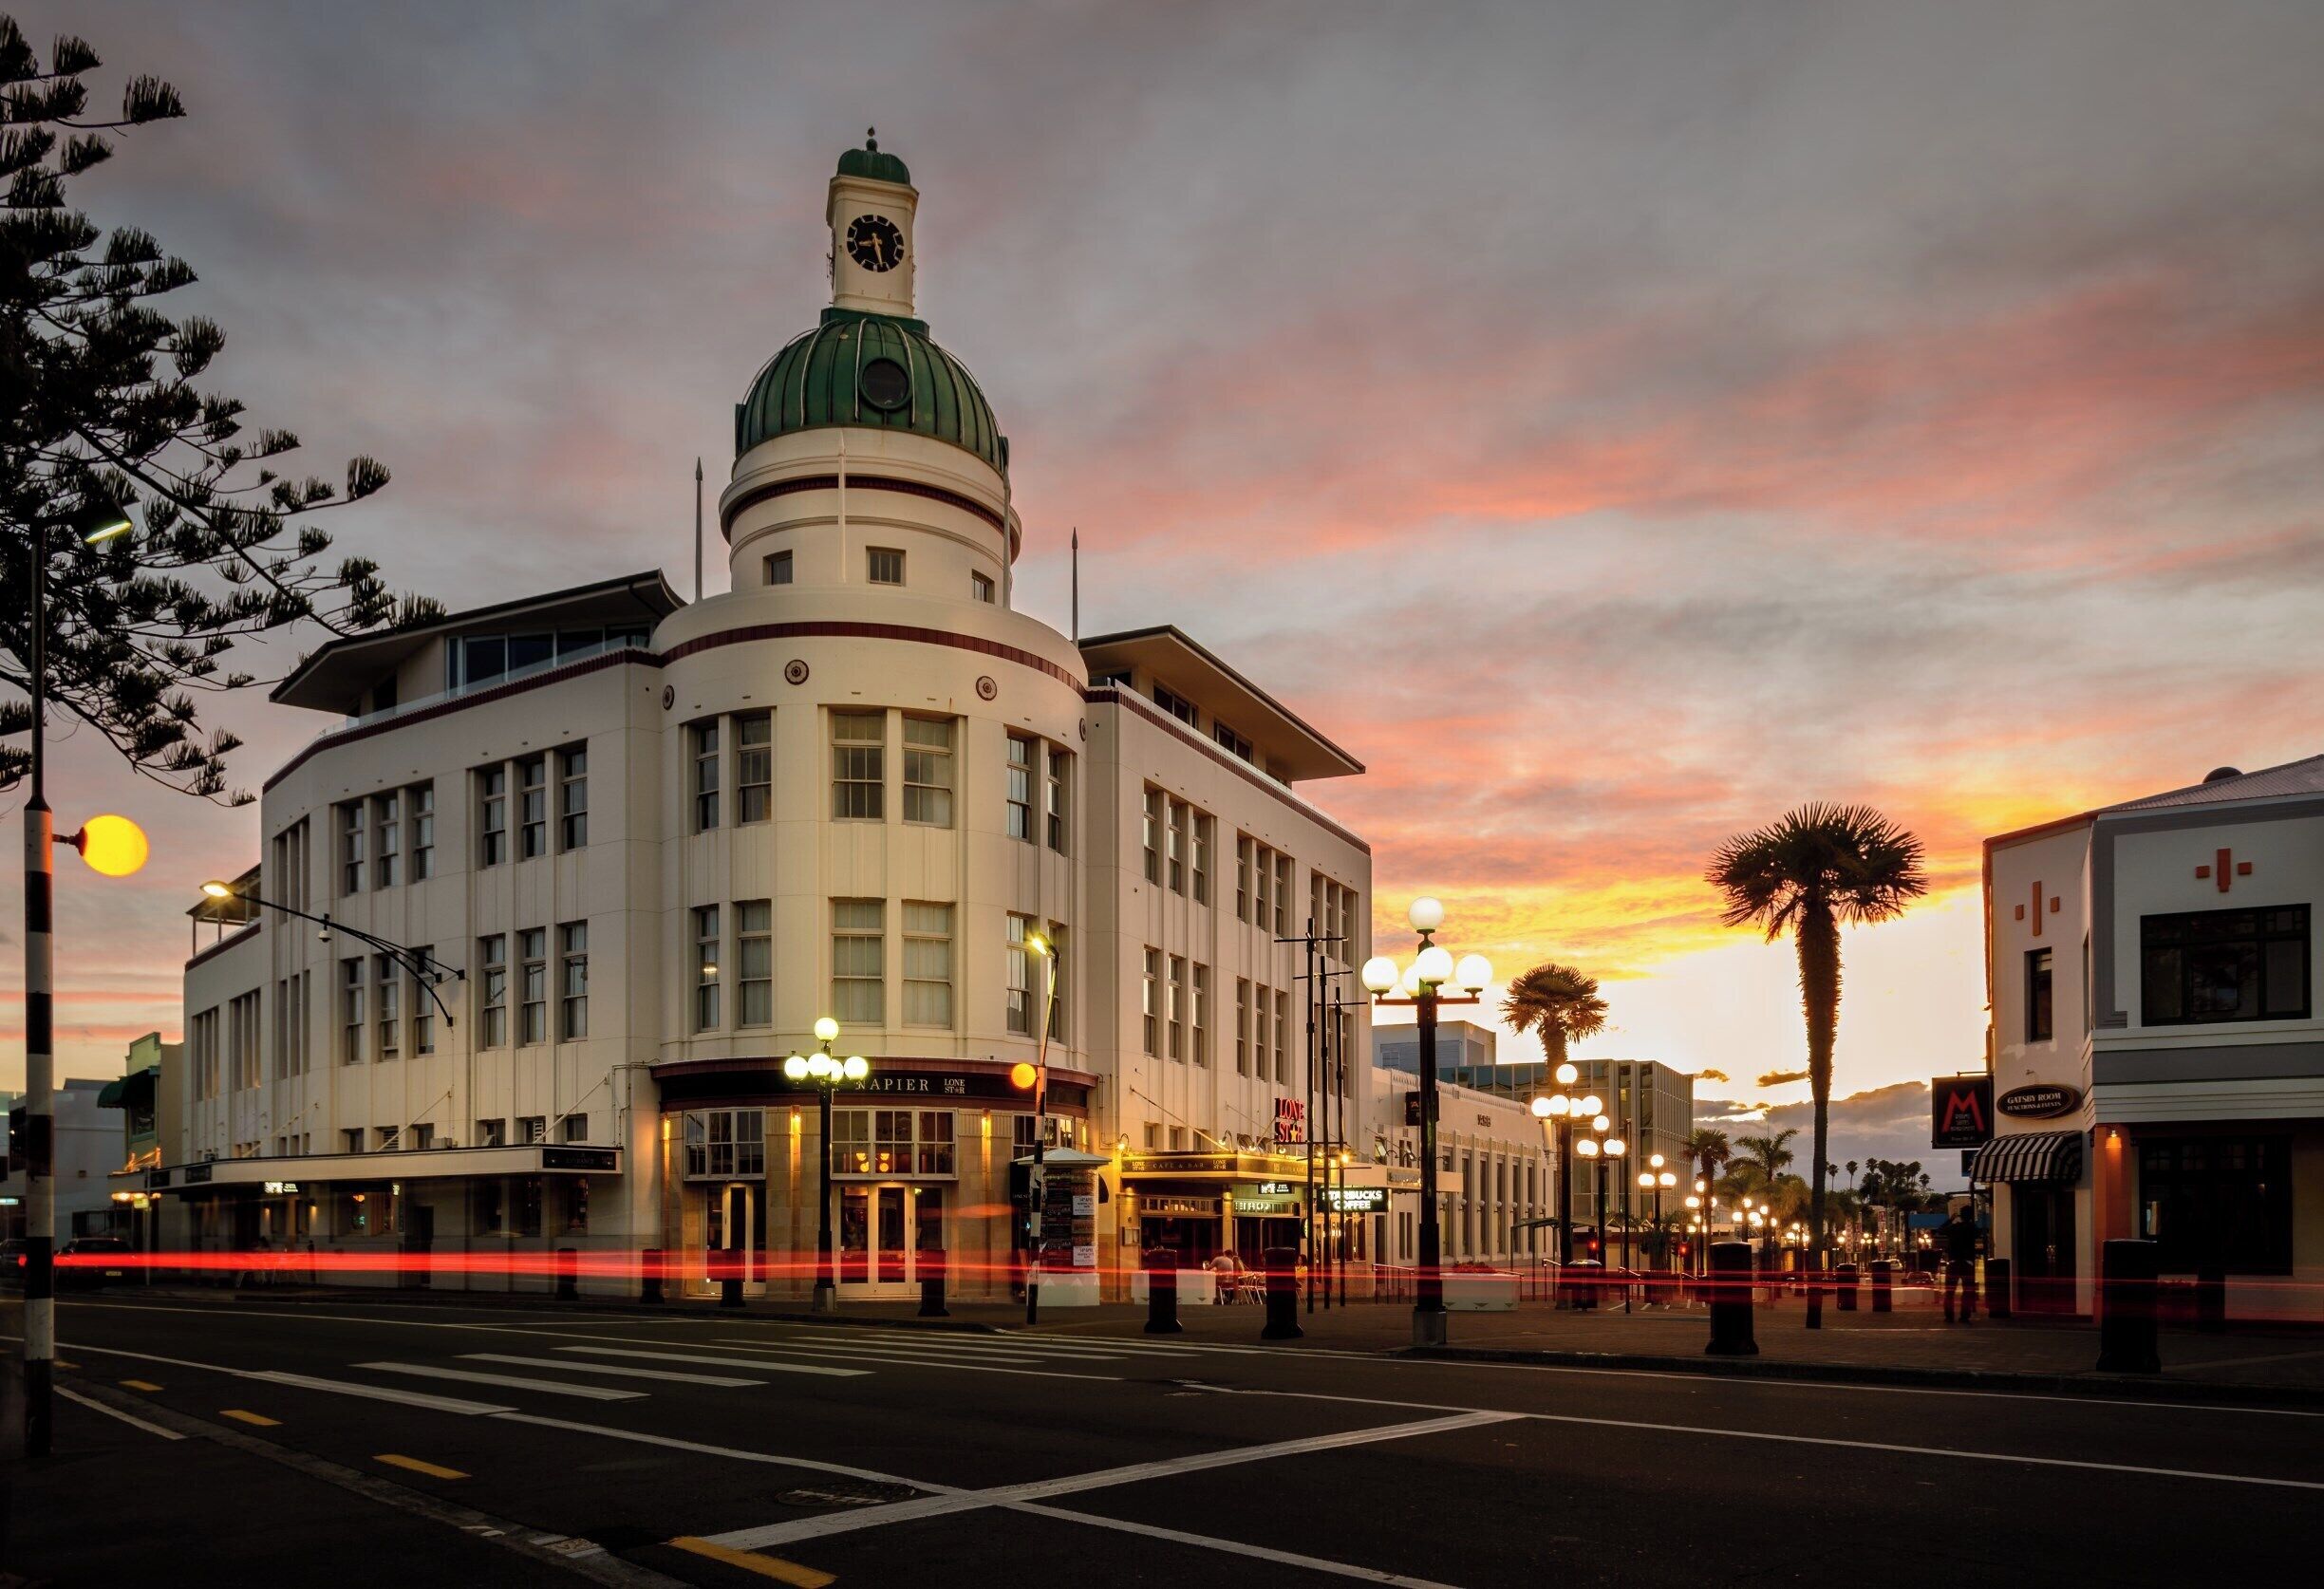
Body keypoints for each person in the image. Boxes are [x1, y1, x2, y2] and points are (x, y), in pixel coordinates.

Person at [1940, 1207, 1980, 1323]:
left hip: (1953, 1262)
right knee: (1967, 1292)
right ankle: (1964, 1316)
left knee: (1950, 1292)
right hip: (1967, 1263)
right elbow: (1979, 1233)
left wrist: (1950, 1219)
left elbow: (1940, 1229)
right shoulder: (1972, 1228)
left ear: (1960, 1216)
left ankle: (1949, 1316)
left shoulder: (1954, 1228)